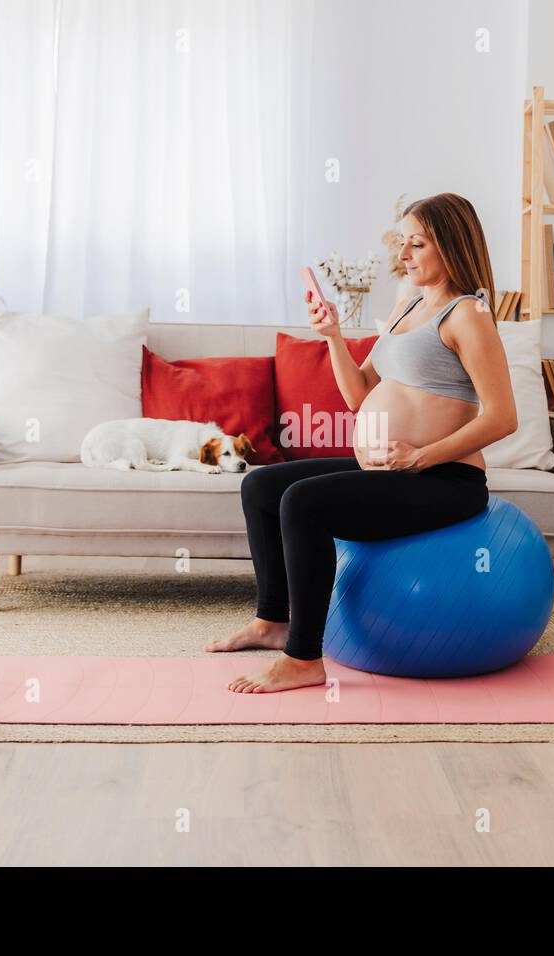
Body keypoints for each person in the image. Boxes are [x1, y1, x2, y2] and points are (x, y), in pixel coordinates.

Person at [207, 192, 518, 693]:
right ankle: (273, 622)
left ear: (452, 247)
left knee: (303, 502)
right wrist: (331, 335)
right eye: (404, 243)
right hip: (390, 471)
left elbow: (504, 417)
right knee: (261, 486)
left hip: (445, 480)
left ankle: (304, 658)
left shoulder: (468, 316)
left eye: (417, 244)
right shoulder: (406, 306)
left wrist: (421, 456)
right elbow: (359, 395)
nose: (404, 255)